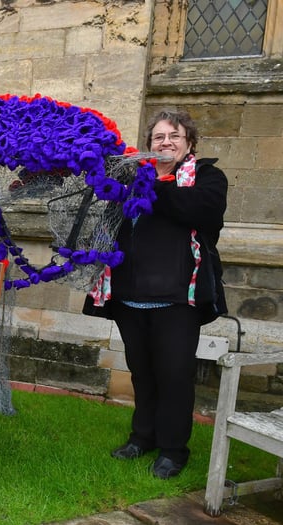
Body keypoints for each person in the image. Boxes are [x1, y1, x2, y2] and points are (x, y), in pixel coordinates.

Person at [84, 109, 228, 479]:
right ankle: (142, 437)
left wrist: (152, 186)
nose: (166, 143)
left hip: (178, 299)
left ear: (189, 143)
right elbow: (108, 222)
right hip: (130, 296)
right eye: (159, 138)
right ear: (149, 145)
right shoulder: (131, 178)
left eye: (174, 137)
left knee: (175, 376)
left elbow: (200, 211)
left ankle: (173, 450)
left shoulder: (207, 178)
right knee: (142, 374)